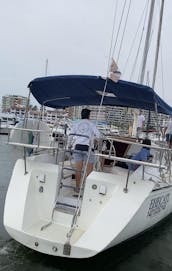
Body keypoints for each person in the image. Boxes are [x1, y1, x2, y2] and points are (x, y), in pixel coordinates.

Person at [68, 108, 100, 195]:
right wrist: (95, 140)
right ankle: (88, 190)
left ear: (81, 115)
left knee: (78, 170)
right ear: (89, 115)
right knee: (89, 170)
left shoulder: (76, 123)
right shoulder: (91, 124)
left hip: (77, 147)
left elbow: (70, 136)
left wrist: (69, 145)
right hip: (88, 148)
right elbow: (99, 135)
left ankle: (77, 188)